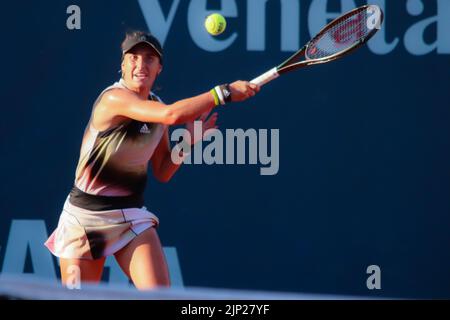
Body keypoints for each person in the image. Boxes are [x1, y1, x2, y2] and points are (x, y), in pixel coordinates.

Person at [44, 30, 260, 290]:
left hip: (131, 218)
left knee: (160, 297)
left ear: (159, 68)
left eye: (149, 59)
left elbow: (163, 171)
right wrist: (223, 93)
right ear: (122, 64)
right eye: (133, 57)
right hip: (84, 219)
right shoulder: (113, 99)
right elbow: (171, 115)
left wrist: (188, 143)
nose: (140, 64)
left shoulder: (156, 108)